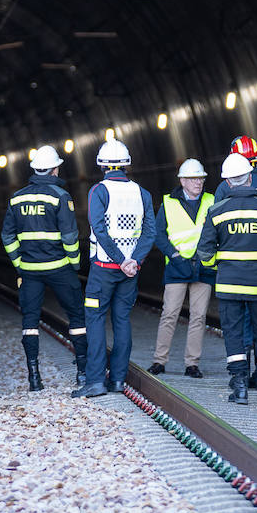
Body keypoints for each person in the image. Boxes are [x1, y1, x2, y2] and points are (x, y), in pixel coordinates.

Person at [197, 154, 257, 405]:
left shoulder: (216, 211)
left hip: (228, 284)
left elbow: (205, 253)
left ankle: (240, 389)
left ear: (227, 181)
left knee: (234, 334)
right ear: (250, 178)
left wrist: (217, 265)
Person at [72, 139, 155, 398]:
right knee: (122, 320)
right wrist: (134, 261)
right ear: (126, 165)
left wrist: (120, 260)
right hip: (130, 271)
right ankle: (118, 380)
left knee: (95, 319)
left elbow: (99, 230)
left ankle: (96, 380)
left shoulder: (99, 191)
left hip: (104, 269)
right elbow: (150, 232)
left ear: (103, 165)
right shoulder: (142, 193)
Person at [1, 144, 85, 390]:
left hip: (30, 270)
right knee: (77, 317)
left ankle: (34, 379)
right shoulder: (60, 197)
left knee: (30, 322)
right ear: (54, 170)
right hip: (60, 268)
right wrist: (75, 264)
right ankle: (82, 372)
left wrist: (19, 264)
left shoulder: (17, 198)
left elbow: (7, 236)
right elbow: (70, 236)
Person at [150, 159, 214, 379]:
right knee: (169, 314)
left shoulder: (212, 201)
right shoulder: (168, 202)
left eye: (201, 178)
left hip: (203, 266)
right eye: (195, 178)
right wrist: (175, 256)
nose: (199, 182)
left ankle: (192, 364)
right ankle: (159, 361)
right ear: (183, 180)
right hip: (177, 266)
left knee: (198, 317)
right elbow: (158, 234)